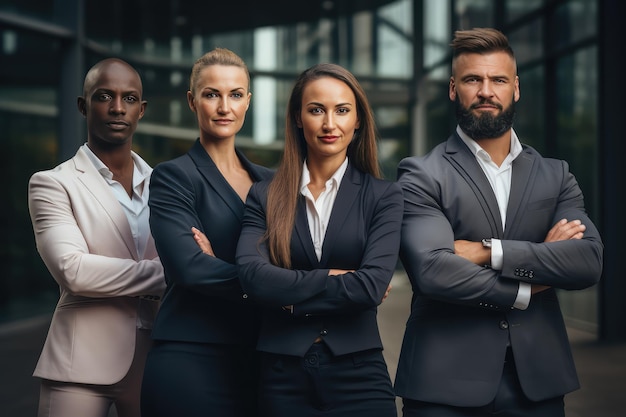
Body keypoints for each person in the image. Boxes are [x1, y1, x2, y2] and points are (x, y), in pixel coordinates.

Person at [394, 27, 604, 417]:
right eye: (473, 79)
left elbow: (587, 261)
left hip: (538, 384)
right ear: (454, 88)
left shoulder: (555, 175)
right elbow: (433, 271)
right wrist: (535, 277)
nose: (486, 91)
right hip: (443, 385)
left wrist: (487, 251)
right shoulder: (422, 174)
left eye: (498, 80)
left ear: (516, 88)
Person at [235, 62, 402, 417]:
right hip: (280, 373)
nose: (330, 124)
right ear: (298, 117)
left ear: (358, 120)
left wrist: (287, 299)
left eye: (342, 110)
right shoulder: (264, 196)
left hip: (360, 374)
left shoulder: (384, 197)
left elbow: (371, 287)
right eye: (316, 110)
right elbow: (251, 276)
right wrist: (335, 278)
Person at [27, 58, 166, 417]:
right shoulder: (53, 183)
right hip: (81, 361)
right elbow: (73, 271)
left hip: (157, 358)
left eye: (129, 98)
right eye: (105, 96)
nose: (117, 108)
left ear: (142, 110)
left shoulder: (167, 185)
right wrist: (171, 272)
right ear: (83, 105)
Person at [140, 48, 274, 417]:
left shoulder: (274, 183)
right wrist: (281, 286)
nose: (223, 106)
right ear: (192, 100)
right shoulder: (174, 177)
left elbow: (301, 257)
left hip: (264, 361)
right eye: (211, 94)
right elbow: (190, 268)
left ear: (248, 101)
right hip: (191, 357)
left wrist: (222, 264)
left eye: (234, 95)